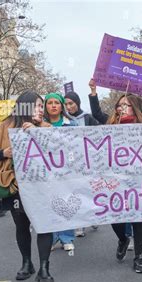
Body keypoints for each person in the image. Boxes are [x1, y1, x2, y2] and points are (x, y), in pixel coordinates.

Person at [0, 91, 55, 282]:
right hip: (14, 185)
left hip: (41, 186)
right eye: (37, 106)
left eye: (41, 106)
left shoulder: (46, 127)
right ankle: (27, 263)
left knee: (44, 224)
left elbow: (59, 150)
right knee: (21, 225)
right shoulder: (4, 126)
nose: (40, 110)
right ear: (25, 106)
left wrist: (36, 134)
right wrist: (3, 152)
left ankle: (44, 268)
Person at [106, 93, 142, 273]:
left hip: (138, 179)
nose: (121, 108)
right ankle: (123, 239)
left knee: (138, 217)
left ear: (135, 107)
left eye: (126, 105)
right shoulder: (109, 126)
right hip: (116, 179)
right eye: (119, 105)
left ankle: (139, 256)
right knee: (115, 216)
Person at [44, 93, 77, 252]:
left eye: (57, 102)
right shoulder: (38, 125)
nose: (53, 105)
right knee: (49, 204)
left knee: (65, 204)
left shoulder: (71, 124)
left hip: (66, 171)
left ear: (62, 106)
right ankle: (51, 238)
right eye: (49, 102)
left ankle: (66, 238)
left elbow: (78, 147)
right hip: (46, 172)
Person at [64, 90, 99, 237]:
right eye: (65, 104)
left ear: (77, 103)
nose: (68, 107)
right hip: (71, 163)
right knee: (76, 193)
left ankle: (91, 216)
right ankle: (80, 224)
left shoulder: (88, 118)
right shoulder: (63, 121)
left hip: (87, 161)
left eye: (71, 103)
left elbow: (99, 135)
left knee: (88, 191)